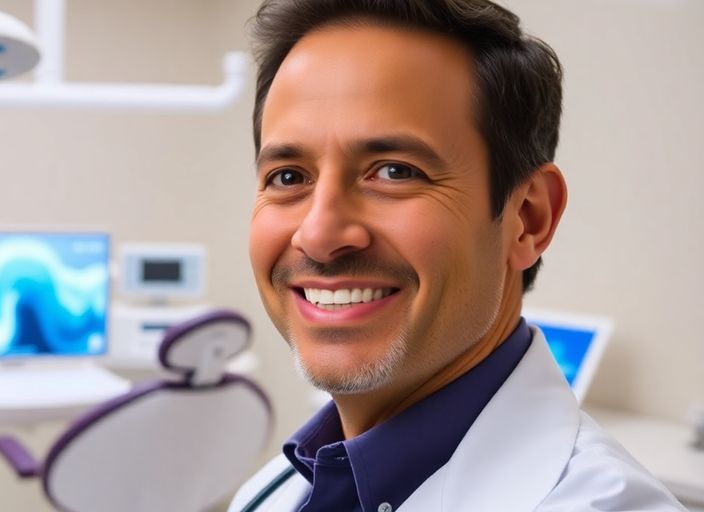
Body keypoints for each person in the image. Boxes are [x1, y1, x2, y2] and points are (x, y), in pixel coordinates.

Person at [229, 0, 686, 510]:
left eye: (395, 171)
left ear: (528, 218)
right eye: (288, 177)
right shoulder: (277, 489)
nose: (319, 234)